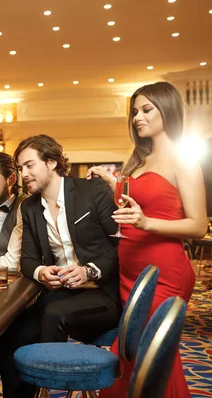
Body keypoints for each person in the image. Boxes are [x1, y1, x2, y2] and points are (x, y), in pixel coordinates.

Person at [89, 82, 207, 398]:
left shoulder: (183, 160)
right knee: (135, 356)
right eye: (135, 111)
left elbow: (198, 226)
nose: (137, 117)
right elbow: (138, 205)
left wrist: (146, 222)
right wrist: (112, 183)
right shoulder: (140, 160)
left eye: (146, 110)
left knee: (148, 358)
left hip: (163, 274)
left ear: (166, 110)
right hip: (131, 274)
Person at [0, 135, 121, 398]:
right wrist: (42, 272)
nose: (23, 174)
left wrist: (89, 270)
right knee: (6, 332)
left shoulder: (92, 191)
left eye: (30, 165)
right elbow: (27, 260)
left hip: (102, 292)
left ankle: (43, 388)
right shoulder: (29, 207)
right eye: (20, 168)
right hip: (60, 294)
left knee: (53, 313)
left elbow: (121, 247)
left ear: (51, 162)